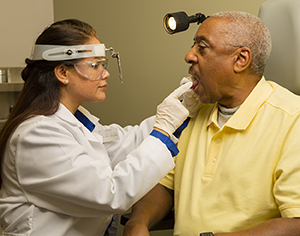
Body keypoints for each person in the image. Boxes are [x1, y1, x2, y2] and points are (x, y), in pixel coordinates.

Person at [0, 19, 194, 236]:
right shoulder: (36, 135)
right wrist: (164, 129)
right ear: (62, 72)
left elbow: (128, 141)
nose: (105, 73)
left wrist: (184, 108)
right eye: (94, 65)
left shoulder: (77, 122)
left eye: (103, 64)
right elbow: (110, 194)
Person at [123, 11, 300, 236]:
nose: (189, 56)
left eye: (202, 47)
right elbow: (164, 184)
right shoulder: (194, 110)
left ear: (241, 60)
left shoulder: (293, 119)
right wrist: (138, 222)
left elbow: (296, 223)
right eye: (193, 46)